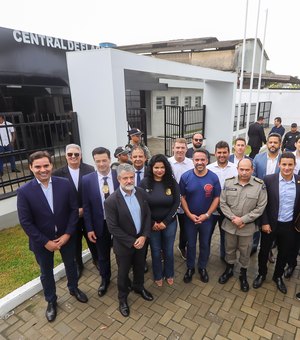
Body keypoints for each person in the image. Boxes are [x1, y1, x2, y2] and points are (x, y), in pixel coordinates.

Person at [17, 151, 88, 322]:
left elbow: (73, 211)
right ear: (31, 168)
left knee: (71, 265)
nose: (43, 170)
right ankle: (51, 301)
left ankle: (73, 288)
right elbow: (26, 222)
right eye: (38, 166)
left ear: (51, 165)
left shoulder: (64, 184)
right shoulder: (24, 192)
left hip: (66, 237)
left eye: (46, 165)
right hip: (42, 242)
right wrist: (45, 242)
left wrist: (67, 234)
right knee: (46, 272)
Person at [105, 163, 153, 317]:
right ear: (119, 179)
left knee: (140, 267)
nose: (129, 181)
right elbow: (113, 228)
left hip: (141, 241)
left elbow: (147, 216)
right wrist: (133, 241)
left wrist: (144, 236)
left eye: (131, 177)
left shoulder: (141, 193)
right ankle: (122, 298)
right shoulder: (111, 201)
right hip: (124, 246)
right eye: (125, 178)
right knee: (123, 273)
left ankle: (139, 287)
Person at [253, 152, 300, 294]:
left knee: (284, 253)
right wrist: (264, 222)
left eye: (290, 165)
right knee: (264, 251)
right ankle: (262, 274)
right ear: (279, 164)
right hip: (270, 224)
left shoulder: (299, 181)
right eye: (284, 164)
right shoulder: (268, 179)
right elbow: (263, 204)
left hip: (289, 226)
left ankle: (278, 276)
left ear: (294, 165)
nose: (286, 168)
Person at [218, 159, 267, 292]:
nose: (244, 172)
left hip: (247, 228)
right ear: (237, 169)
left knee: (245, 252)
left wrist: (243, 220)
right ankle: (229, 270)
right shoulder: (228, 182)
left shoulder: (259, 185)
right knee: (229, 249)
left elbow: (260, 207)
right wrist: (234, 218)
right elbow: (222, 203)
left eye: (247, 170)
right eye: (241, 169)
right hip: (230, 224)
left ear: (252, 170)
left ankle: (243, 275)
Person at [52, 144, 98, 278]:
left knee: (93, 240)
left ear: (81, 156)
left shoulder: (90, 169)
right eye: (70, 154)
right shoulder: (58, 174)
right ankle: (79, 264)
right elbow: (58, 198)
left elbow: (93, 191)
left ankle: (97, 260)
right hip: (71, 217)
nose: (73, 157)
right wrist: (74, 211)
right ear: (66, 156)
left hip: (88, 214)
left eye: (76, 154)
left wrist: (84, 209)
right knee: (75, 242)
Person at [82, 147, 119, 297]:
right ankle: (105, 279)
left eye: (104, 160)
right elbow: (86, 206)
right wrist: (89, 228)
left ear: (110, 160)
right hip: (99, 224)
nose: (102, 164)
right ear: (94, 162)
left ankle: (124, 278)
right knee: (102, 255)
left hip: (118, 223)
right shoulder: (87, 180)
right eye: (98, 161)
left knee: (121, 253)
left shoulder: (120, 175)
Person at [180, 149, 221, 283]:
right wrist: (189, 214)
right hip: (190, 219)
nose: (199, 162)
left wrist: (207, 214)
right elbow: (182, 197)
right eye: (197, 160)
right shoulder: (185, 177)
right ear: (193, 161)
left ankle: (202, 267)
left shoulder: (213, 177)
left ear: (207, 161)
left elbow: (216, 198)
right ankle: (190, 268)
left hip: (207, 219)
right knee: (191, 244)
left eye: (202, 160)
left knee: (205, 244)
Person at [140, 154, 180, 286]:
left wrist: (165, 222)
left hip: (169, 223)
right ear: (151, 168)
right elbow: (142, 205)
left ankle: (169, 273)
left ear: (166, 168)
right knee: (155, 251)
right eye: (156, 167)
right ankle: (157, 275)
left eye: (162, 167)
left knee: (168, 250)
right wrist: (152, 223)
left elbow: (176, 203)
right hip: (151, 225)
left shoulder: (172, 182)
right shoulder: (144, 183)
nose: (159, 170)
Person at [207, 141, 238, 261]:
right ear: (215, 153)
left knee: (226, 237)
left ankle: (224, 258)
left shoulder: (236, 169)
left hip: (228, 210)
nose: (222, 155)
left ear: (229, 153)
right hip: (211, 209)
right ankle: (205, 257)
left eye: (224, 152)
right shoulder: (208, 168)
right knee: (207, 235)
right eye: (219, 152)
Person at [251, 133, 281, 258]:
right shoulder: (258, 157)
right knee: (258, 222)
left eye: (275, 142)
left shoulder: (283, 159)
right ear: (267, 143)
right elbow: (253, 176)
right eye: (270, 142)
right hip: (259, 196)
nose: (272, 144)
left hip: (277, 198)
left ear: (280, 144)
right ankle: (253, 246)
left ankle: (269, 249)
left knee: (273, 224)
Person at [168, 138, 194, 260]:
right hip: (169, 202)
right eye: (177, 147)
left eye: (182, 148)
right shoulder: (167, 163)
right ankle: (165, 250)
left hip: (186, 202)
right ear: (173, 148)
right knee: (168, 228)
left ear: (186, 149)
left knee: (185, 227)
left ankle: (182, 246)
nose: (179, 150)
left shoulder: (191, 163)